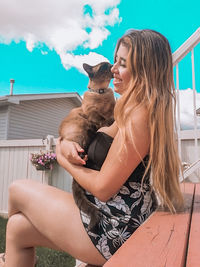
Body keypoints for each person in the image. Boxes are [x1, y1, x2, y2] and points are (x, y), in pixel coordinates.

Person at [0, 29, 184, 267]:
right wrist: (67, 144)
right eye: (115, 60)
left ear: (145, 71)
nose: (114, 69)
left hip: (114, 230)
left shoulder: (140, 116)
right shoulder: (130, 110)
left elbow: (103, 188)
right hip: (108, 218)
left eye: (123, 64)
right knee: (17, 228)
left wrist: (62, 158)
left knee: (17, 188)